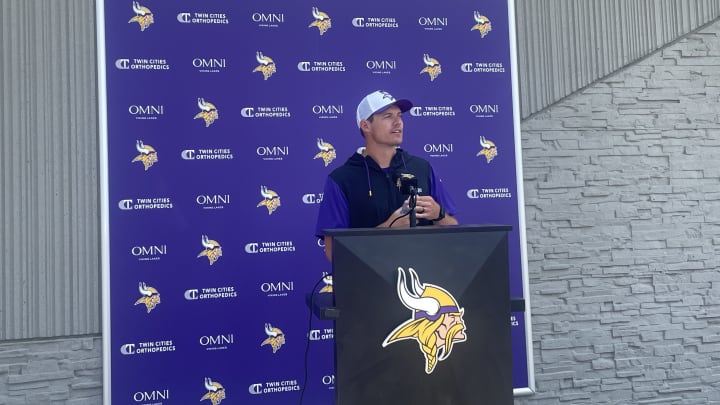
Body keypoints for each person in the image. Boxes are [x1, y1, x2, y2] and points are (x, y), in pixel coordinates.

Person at [315, 90, 458, 261]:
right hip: (369, 284)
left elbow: (455, 231)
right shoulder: (342, 179)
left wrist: (439, 214)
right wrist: (388, 228)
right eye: (388, 116)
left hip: (424, 282)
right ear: (365, 125)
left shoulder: (422, 168)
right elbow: (333, 252)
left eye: (400, 116)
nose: (398, 123)